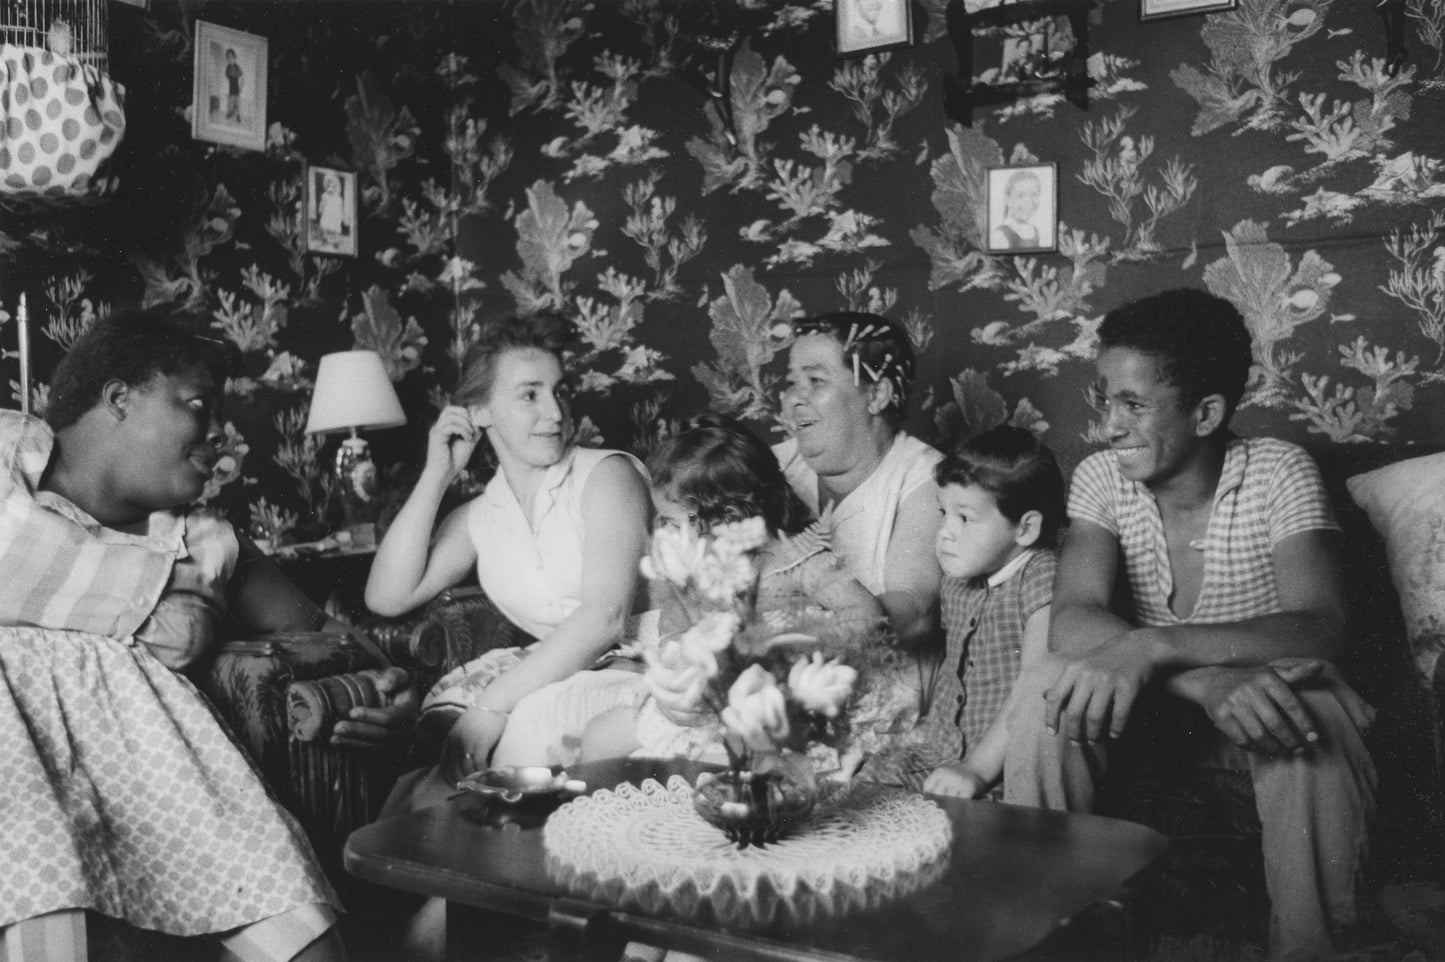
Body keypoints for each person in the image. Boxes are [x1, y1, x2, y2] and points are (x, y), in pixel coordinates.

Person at [0, 309, 415, 962]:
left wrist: (390, 690)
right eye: (199, 405)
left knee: (314, 946)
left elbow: (328, 634)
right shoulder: (8, 469)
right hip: (22, 792)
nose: (221, 433)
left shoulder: (202, 543)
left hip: (167, 787)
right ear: (119, 398)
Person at [1001, 289, 1377, 961]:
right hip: (1148, 722)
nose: (1109, 426)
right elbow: (1071, 618)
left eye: (1133, 405)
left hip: (1252, 730)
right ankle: (1044, 940)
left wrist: (1154, 645)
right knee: (1045, 687)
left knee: (1315, 706)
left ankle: (1311, 949)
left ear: (1205, 413)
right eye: (1104, 401)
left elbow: (1320, 626)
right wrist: (1202, 682)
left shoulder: (1277, 470)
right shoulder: (1100, 478)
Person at [365, 313, 651, 805]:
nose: (556, 413)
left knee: (513, 750)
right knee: (417, 796)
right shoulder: (483, 515)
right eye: (529, 395)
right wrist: (437, 474)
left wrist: (491, 706)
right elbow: (387, 597)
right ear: (479, 411)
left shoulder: (607, 475)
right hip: (557, 681)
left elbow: (605, 617)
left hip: (644, 670)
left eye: (560, 391)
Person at [579, 413, 887, 764]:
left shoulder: (796, 559)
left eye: (669, 521)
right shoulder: (690, 565)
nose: (660, 532)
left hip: (778, 704)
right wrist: (677, 655)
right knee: (599, 736)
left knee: (737, 762)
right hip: (710, 696)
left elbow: (866, 612)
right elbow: (675, 616)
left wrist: (802, 653)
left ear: (725, 519)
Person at [772, 311, 945, 785]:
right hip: (782, 686)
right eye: (791, 383)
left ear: (877, 395)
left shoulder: (925, 479)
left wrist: (799, 648)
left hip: (883, 695)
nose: (794, 399)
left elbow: (915, 611)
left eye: (816, 381)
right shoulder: (774, 467)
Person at [918, 425, 1065, 800]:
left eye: (965, 518)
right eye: (943, 513)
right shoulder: (958, 578)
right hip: (940, 750)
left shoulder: (1040, 576)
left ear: (1025, 529)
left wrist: (976, 770)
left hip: (996, 766)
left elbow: (1036, 684)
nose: (945, 533)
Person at [989, 168, 1043, 250]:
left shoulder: (1034, 230)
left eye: (1034, 194)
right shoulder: (1001, 235)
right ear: (1007, 200)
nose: (1028, 201)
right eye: (1020, 195)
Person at [316, 172, 345, 240]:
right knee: (325, 223)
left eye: (333, 187)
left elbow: (340, 206)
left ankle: (334, 235)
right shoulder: (325, 195)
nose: (330, 188)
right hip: (326, 212)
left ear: (336, 187)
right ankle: (326, 234)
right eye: (329, 186)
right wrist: (320, 209)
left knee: (334, 224)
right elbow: (322, 203)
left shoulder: (338, 197)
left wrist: (342, 214)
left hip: (335, 214)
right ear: (326, 187)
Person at [223, 47, 243, 123]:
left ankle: (238, 115)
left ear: (235, 58)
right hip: (230, 88)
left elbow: (241, 79)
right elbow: (227, 77)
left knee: (237, 103)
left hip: (237, 87)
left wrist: (240, 88)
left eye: (231, 58)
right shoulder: (228, 67)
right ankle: (230, 113)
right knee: (230, 102)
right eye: (228, 58)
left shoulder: (237, 67)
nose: (230, 60)